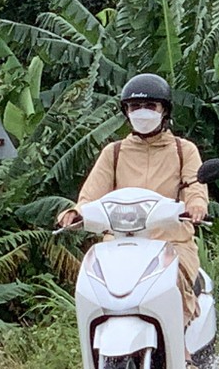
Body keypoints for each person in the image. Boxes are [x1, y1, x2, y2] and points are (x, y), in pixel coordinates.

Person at [58, 73, 210, 323]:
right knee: (94, 288)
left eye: (150, 106)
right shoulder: (114, 152)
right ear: (126, 112)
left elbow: (195, 186)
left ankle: (182, 351)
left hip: (172, 242)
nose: (142, 112)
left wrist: (196, 206)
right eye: (135, 106)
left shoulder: (184, 150)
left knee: (175, 283)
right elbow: (91, 194)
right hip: (118, 244)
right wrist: (77, 212)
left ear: (164, 111)